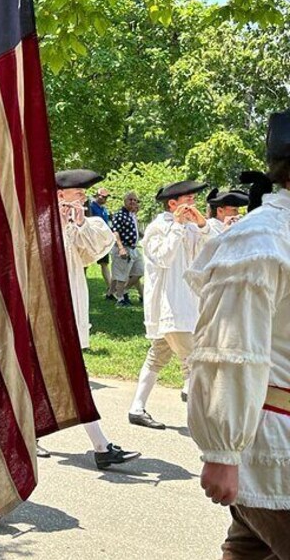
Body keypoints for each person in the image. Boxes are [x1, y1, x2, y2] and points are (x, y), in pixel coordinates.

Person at [186, 110, 290, 559]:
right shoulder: (261, 240)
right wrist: (222, 452)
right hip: (268, 439)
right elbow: (227, 349)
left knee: (248, 552)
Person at [56, 170, 141, 469]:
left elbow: (90, 254)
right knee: (66, 375)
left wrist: (77, 222)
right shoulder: (40, 220)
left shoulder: (76, 222)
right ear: (59, 195)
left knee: (62, 374)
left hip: (70, 300)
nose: (83, 199)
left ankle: (99, 445)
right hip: (49, 307)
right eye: (77, 194)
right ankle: (101, 446)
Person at [128, 180, 220, 429]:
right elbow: (163, 258)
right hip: (171, 304)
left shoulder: (193, 226)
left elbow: (214, 247)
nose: (193, 204)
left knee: (158, 356)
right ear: (172, 204)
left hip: (191, 303)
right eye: (189, 200)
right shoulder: (158, 227)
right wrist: (178, 226)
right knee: (194, 360)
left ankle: (136, 408)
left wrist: (201, 224)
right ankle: (201, 419)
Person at [110, 191, 144, 307]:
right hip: (123, 248)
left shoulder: (132, 215)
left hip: (134, 248)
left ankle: (124, 290)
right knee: (121, 276)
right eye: (130, 199)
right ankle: (120, 300)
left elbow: (135, 231)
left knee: (140, 271)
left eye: (135, 200)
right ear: (125, 201)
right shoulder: (119, 214)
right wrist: (121, 248)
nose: (133, 202)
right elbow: (115, 232)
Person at [89, 187, 114, 298]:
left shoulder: (104, 210)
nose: (104, 199)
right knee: (85, 264)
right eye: (102, 196)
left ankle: (110, 288)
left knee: (104, 264)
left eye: (106, 197)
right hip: (92, 239)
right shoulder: (90, 207)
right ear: (96, 195)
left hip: (102, 240)